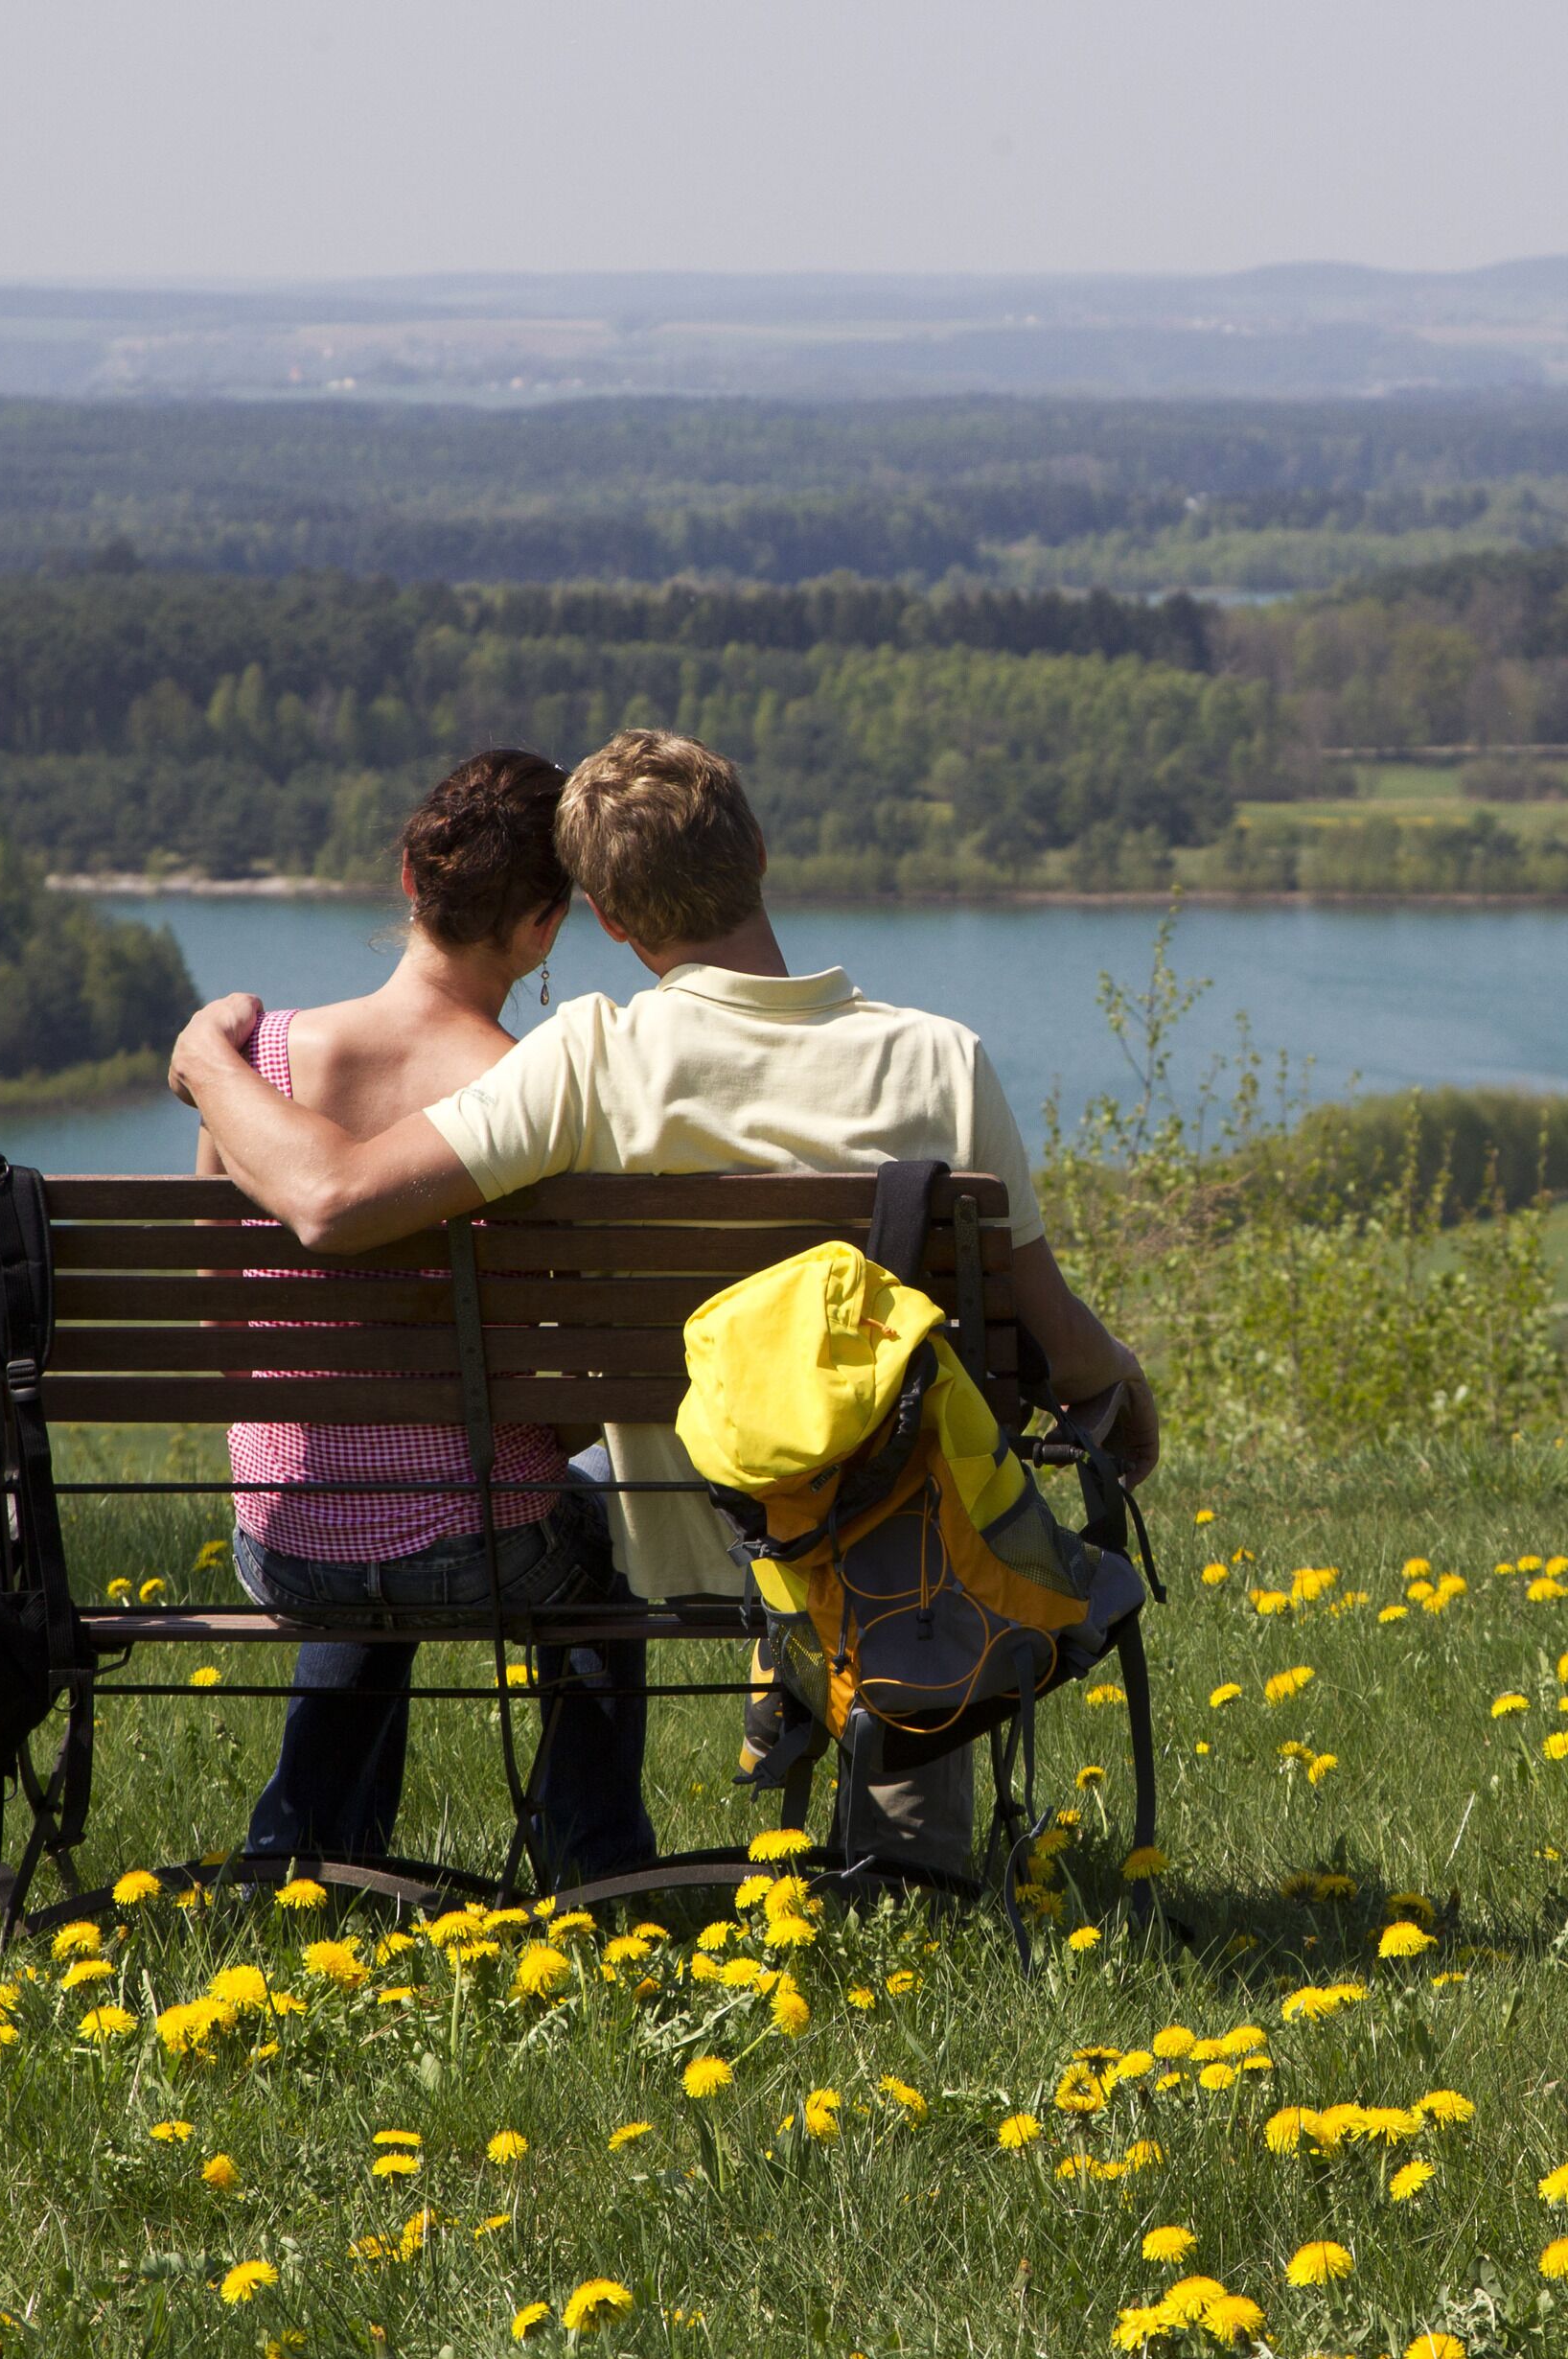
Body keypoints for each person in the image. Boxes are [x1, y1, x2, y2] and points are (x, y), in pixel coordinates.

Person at [172, 729, 1159, 1880]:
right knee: (900, 1458)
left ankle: (523, 1852)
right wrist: (1122, 1388)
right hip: (871, 1525)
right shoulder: (944, 1060)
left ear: (607, 920)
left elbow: (336, 1200)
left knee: (559, 1488)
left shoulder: (587, 1058)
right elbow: (1053, 1329)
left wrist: (210, 1058)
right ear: (760, 851)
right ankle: (904, 1869)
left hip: (672, 1526)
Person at [197, 747, 655, 1885]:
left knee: (371, 1518)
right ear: (544, 928)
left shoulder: (250, 1067)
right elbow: (575, 1395)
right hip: (483, 1549)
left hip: (287, 1542)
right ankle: (592, 1862)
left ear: (410, 876)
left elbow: (226, 1318)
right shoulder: (536, 1096)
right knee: (595, 1535)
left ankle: (309, 1847)